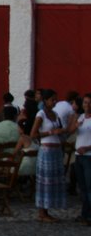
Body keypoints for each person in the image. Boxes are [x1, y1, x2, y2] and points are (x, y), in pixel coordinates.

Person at [31, 89, 66, 223]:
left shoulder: (55, 114)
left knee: (53, 181)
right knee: (45, 181)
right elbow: (33, 134)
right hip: (46, 150)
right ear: (45, 100)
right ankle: (42, 211)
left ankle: (47, 209)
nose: (55, 102)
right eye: (52, 99)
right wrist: (51, 132)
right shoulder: (41, 115)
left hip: (56, 149)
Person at [70, 93, 91, 226]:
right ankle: (85, 213)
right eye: (85, 102)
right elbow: (71, 131)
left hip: (89, 156)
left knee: (90, 187)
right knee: (82, 187)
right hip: (79, 156)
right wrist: (76, 124)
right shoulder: (82, 117)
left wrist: (87, 148)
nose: (87, 105)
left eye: (89, 103)